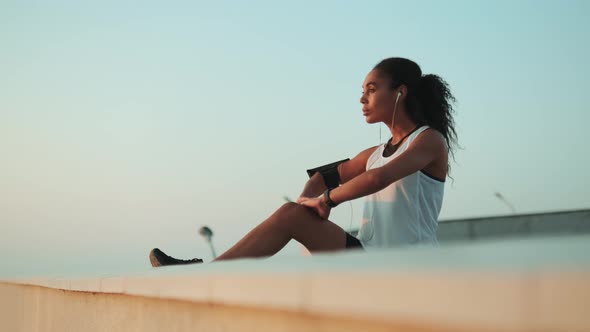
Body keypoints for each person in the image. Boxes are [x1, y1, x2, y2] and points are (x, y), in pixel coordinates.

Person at [149, 57, 457, 267]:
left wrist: (326, 201)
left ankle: (211, 271)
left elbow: (378, 179)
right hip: (369, 257)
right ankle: (211, 271)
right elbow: (325, 175)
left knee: (293, 215)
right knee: (291, 213)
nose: (362, 99)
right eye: (362, 92)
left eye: (372, 90)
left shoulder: (429, 141)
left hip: (412, 264)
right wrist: (309, 197)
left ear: (400, 92)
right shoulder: (374, 153)